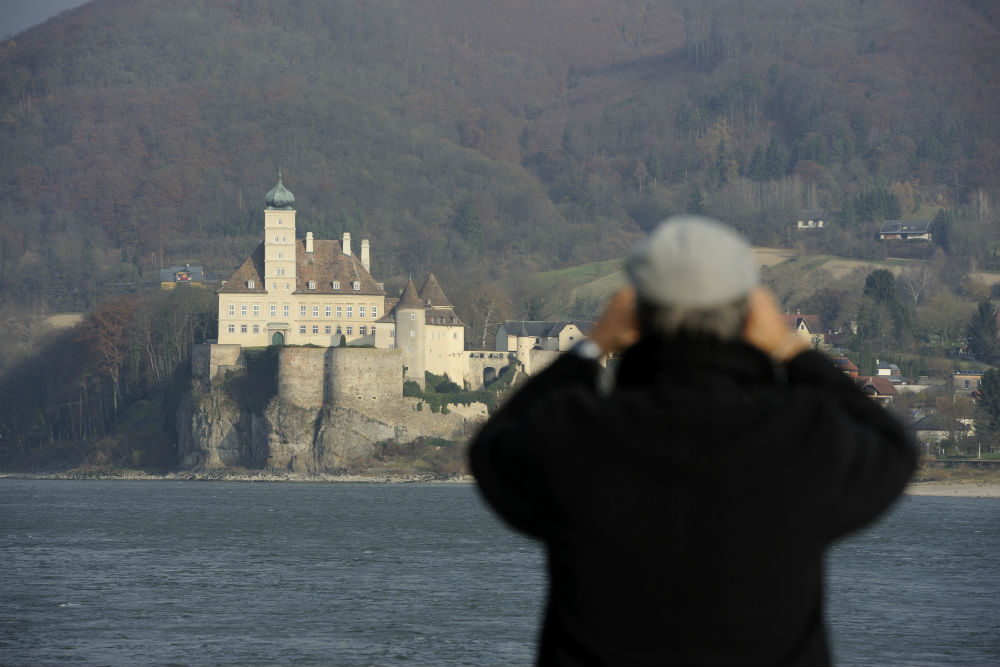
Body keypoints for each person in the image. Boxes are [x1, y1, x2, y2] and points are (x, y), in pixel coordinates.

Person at [469, 216, 916, 666]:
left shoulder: (577, 434)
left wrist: (592, 346)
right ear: (748, 313)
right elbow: (893, 447)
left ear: (636, 313)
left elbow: (493, 449)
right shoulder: (800, 438)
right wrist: (789, 347)